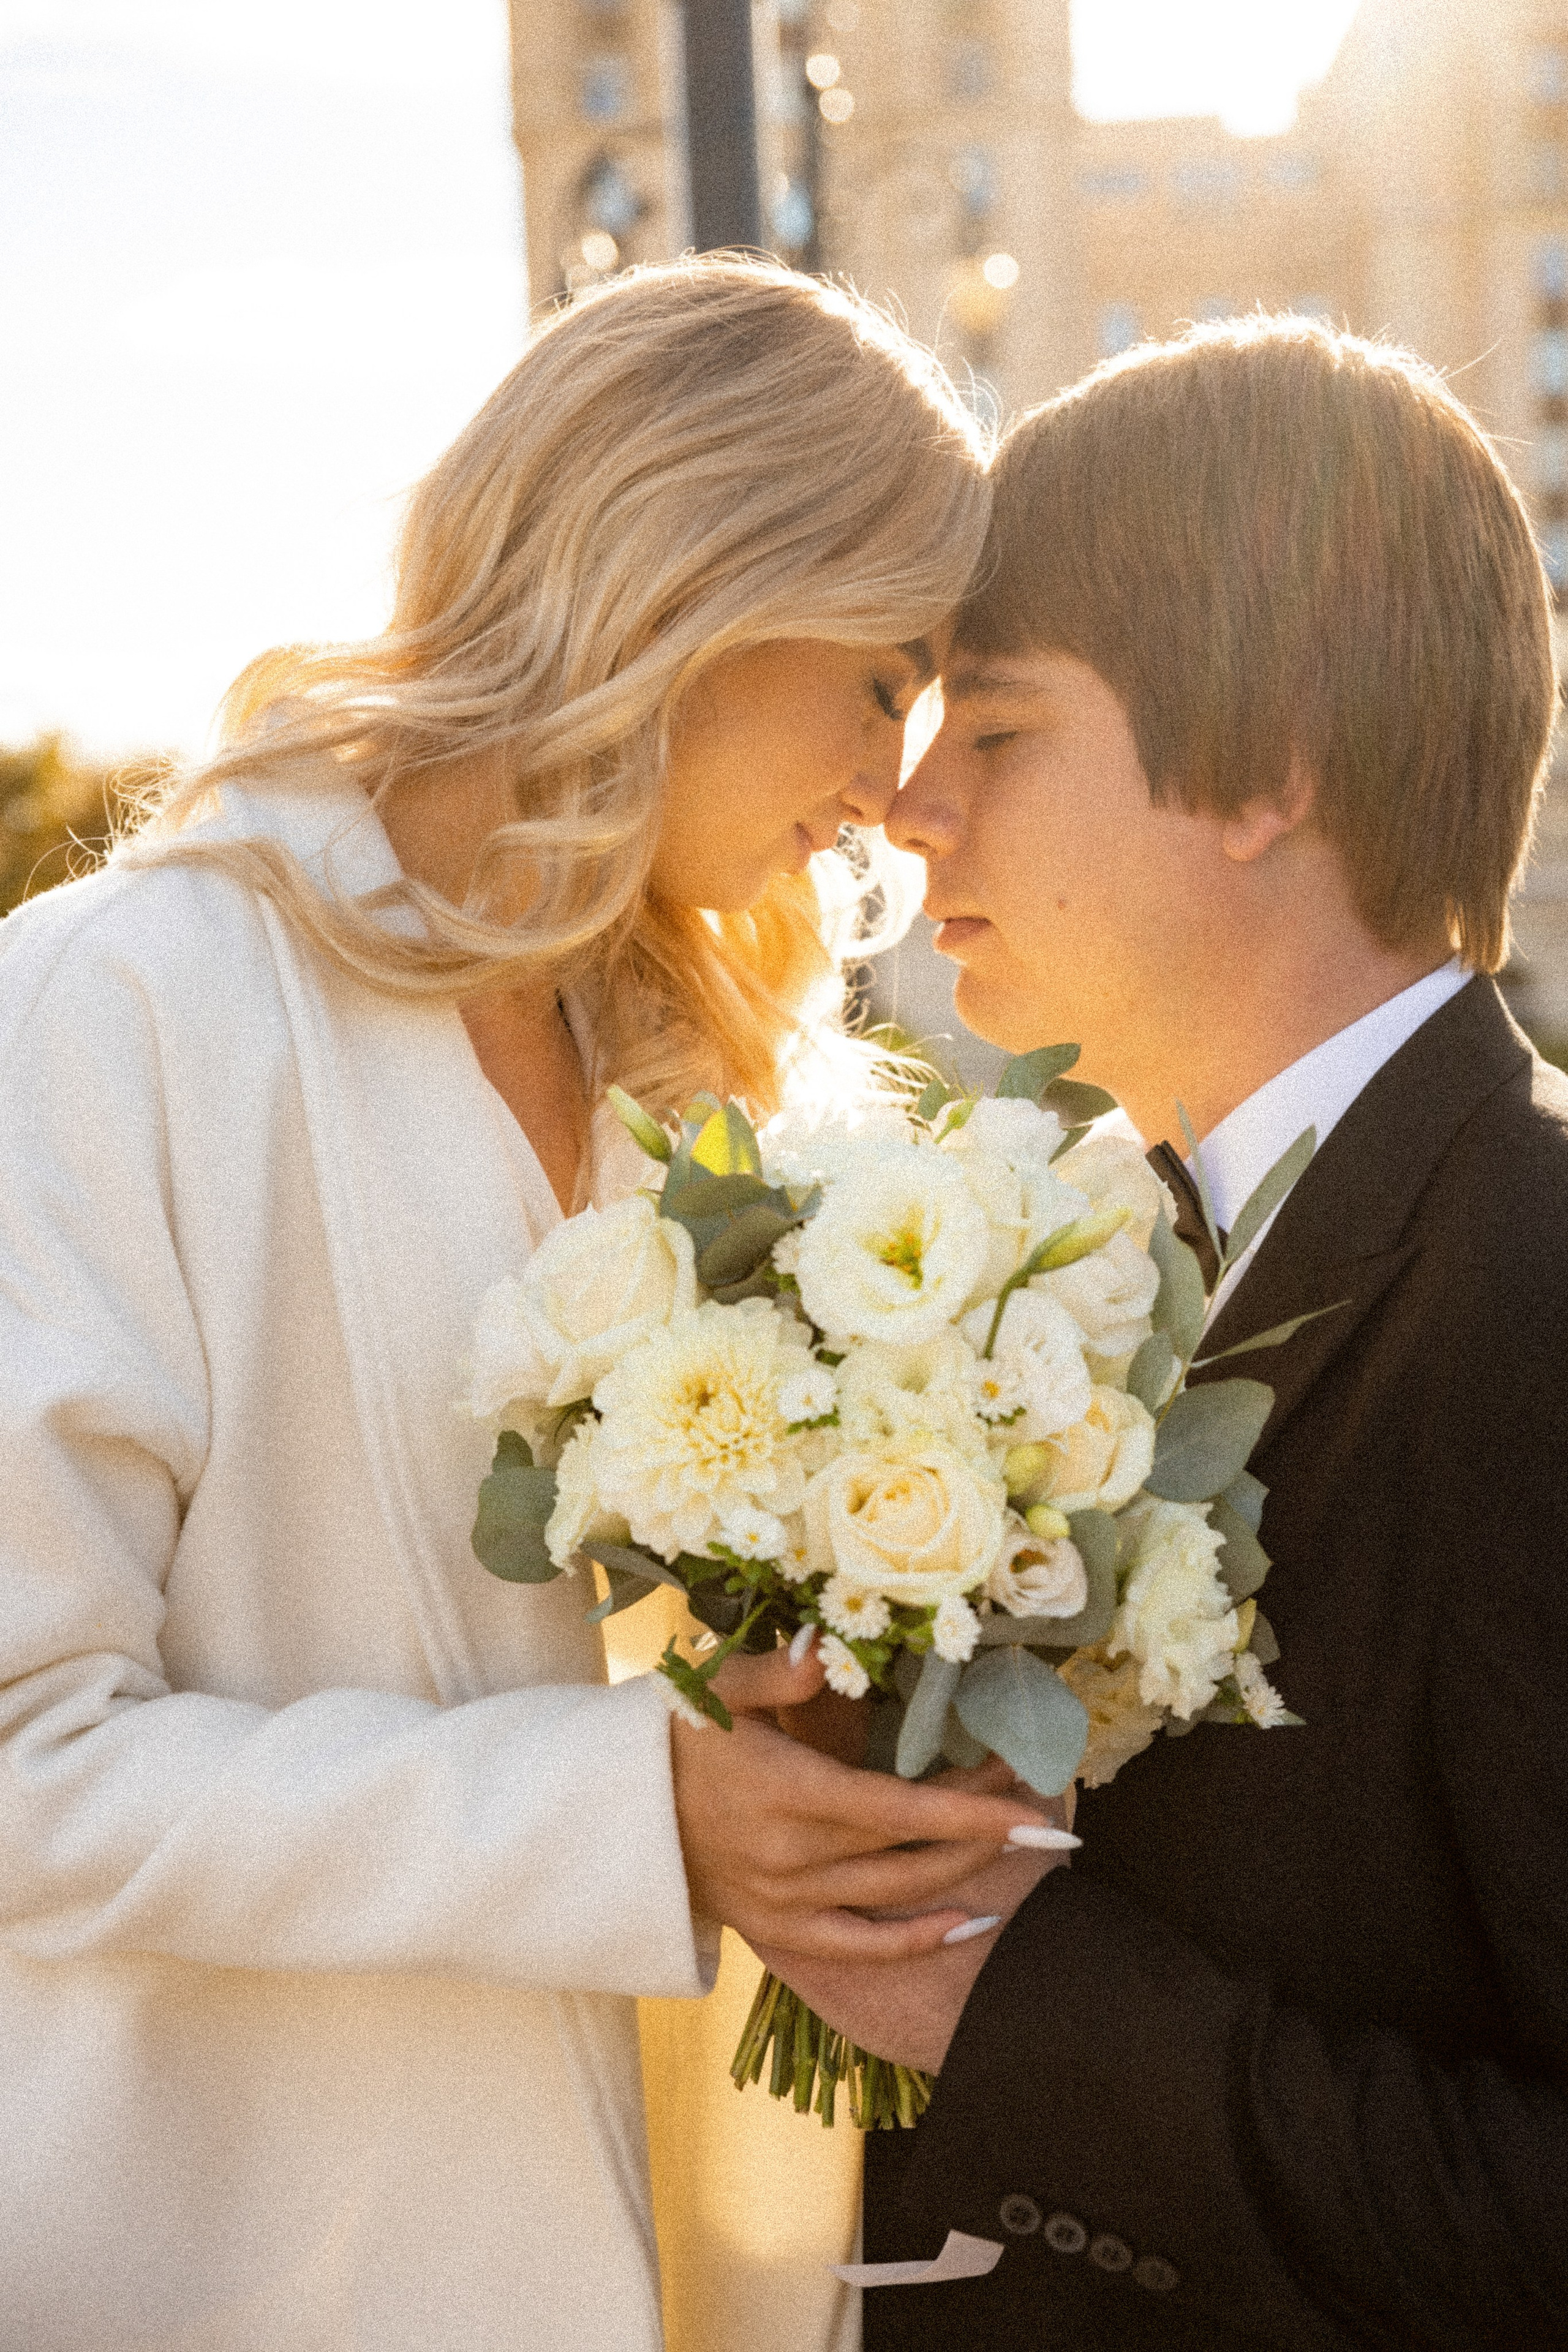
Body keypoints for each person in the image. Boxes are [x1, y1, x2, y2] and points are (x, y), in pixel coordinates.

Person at [0, 257, 1058, 2352]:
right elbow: (27, 1765)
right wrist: (635, 1810)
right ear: (698, 564)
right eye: (885, 671)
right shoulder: (110, 1009)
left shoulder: (741, 1098)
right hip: (253, 2282)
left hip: (722, 2272)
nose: (894, 777)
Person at [758, 315, 1568, 2348]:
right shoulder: (1074, 1252)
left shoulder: (1541, 1287)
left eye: (1000, 729)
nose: (908, 807)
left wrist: (1014, 2005)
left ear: (1268, 766)